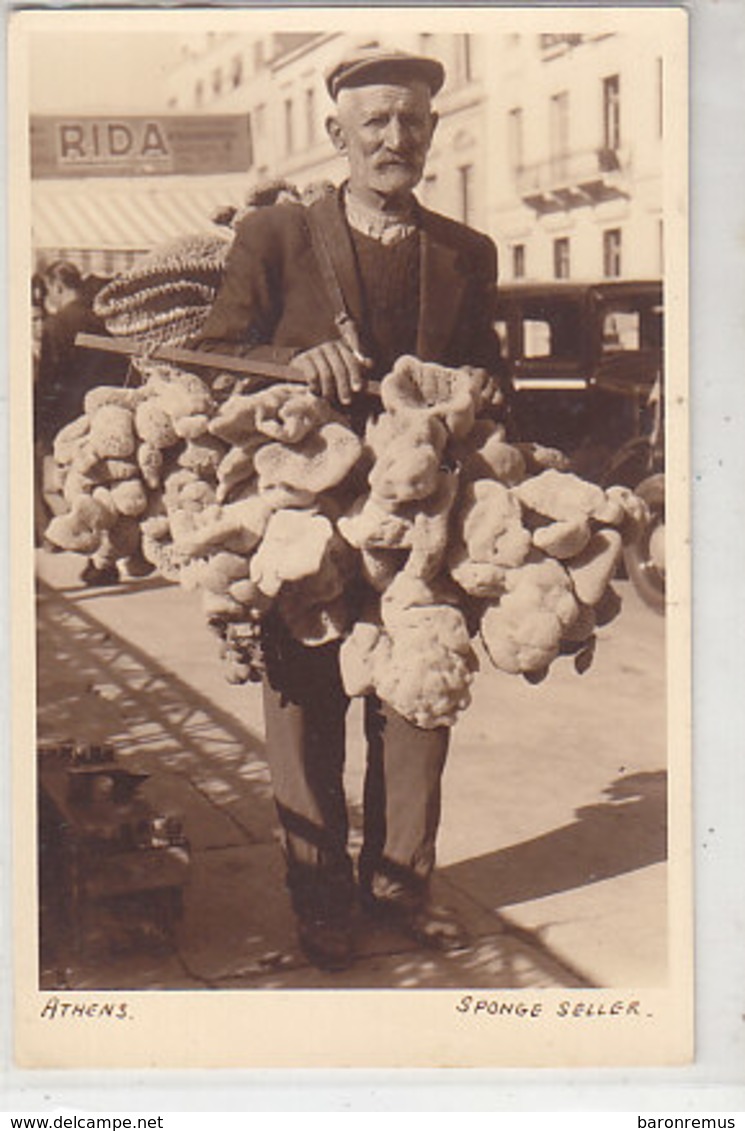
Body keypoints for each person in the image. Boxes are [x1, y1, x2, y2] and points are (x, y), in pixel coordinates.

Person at [196, 46, 507, 971]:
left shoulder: (464, 251)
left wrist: (485, 387)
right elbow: (212, 355)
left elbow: (497, 374)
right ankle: (320, 905)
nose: (393, 137)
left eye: (410, 120)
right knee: (304, 710)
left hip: (417, 521)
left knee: (416, 707)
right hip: (303, 519)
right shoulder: (277, 236)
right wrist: (291, 367)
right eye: (374, 120)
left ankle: (401, 890)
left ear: (433, 134)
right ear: (335, 135)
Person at [35, 260, 127, 581]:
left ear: (57, 287)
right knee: (103, 487)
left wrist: (41, 426)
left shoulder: (56, 325)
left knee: (67, 487)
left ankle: (87, 548)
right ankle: (105, 561)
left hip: (67, 417)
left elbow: (48, 379)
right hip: (104, 412)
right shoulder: (102, 319)